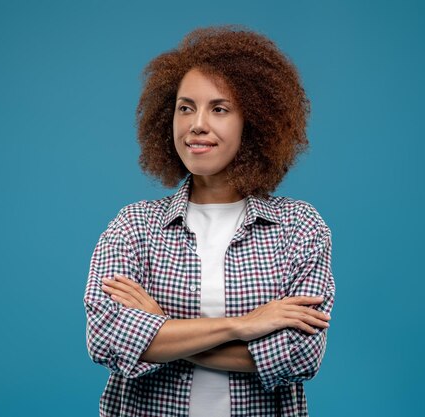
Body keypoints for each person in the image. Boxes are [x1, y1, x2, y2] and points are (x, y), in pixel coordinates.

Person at [84, 25, 335, 417]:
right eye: (186, 107)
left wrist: (160, 328)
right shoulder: (134, 226)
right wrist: (244, 326)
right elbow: (108, 340)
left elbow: (298, 356)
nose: (197, 123)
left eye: (219, 108)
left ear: (253, 121)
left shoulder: (299, 228)